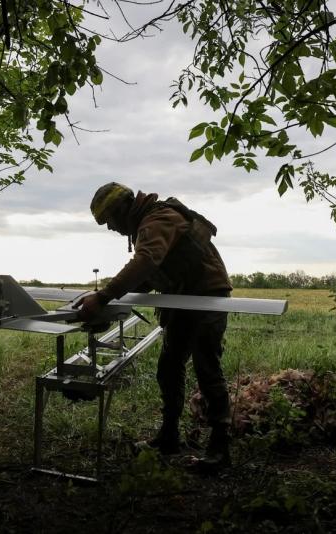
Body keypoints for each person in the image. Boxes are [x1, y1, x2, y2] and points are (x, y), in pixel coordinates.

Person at [75, 182, 233, 468]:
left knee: (207, 368)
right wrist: (109, 300)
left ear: (123, 208)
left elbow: (146, 262)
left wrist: (103, 296)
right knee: (169, 366)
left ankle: (220, 449)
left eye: (110, 219)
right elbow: (150, 274)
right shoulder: (147, 224)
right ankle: (169, 437)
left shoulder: (157, 219)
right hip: (182, 297)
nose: (111, 227)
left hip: (207, 296)